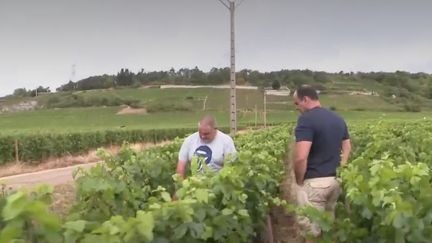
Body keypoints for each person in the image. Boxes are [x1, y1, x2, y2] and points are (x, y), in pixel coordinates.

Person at [292, 86, 351, 242]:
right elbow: (347, 146)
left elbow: (301, 157)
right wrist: (342, 167)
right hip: (335, 182)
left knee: (311, 233)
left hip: (315, 184)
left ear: (306, 100)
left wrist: (299, 180)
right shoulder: (337, 118)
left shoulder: (306, 120)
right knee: (327, 228)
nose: (296, 108)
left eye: (297, 103)